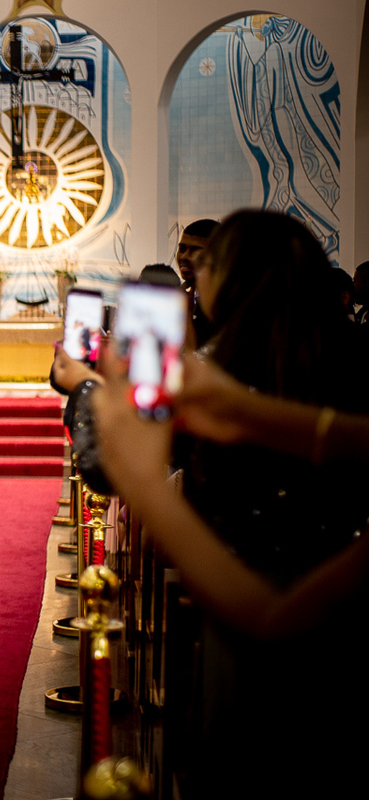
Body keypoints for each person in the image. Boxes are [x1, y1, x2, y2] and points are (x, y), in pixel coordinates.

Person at [163, 209, 369, 797]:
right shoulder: (343, 349)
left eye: (206, 264)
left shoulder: (236, 365)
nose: (194, 275)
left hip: (261, 587)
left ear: (237, 279)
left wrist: (147, 478)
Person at [174, 218, 218, 346]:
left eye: (195, 251)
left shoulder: (228, 308)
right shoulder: (183, 297)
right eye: (182, 249)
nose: (184, 257)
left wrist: (186, 317)